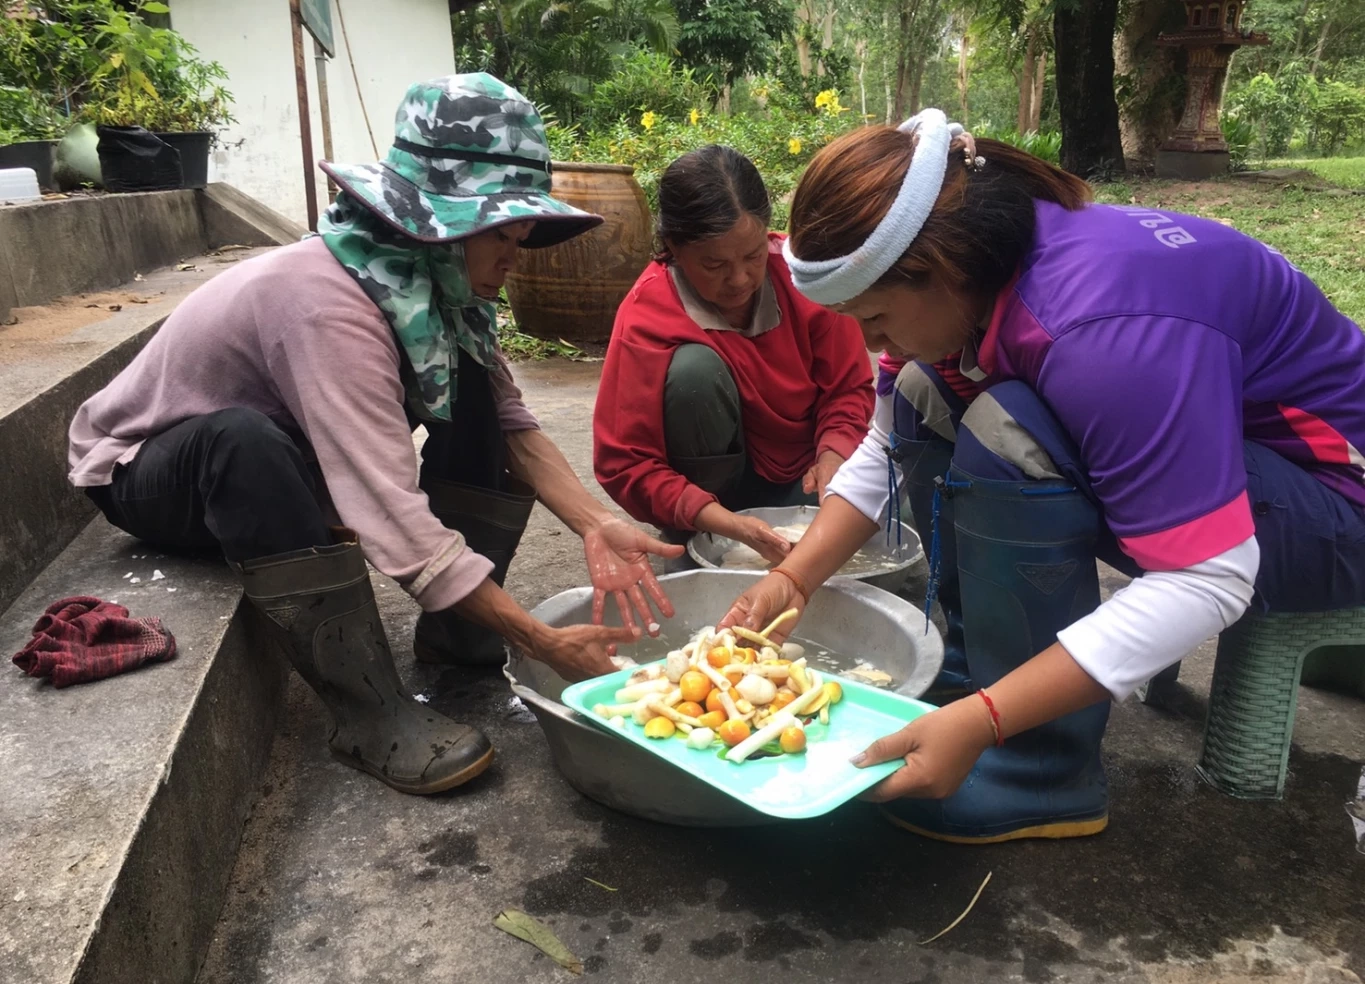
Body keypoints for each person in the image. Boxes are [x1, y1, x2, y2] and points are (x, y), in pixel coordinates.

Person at [720, 109, 1365, 843]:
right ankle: (973, 680)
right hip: (1258, 475)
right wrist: (796, 578)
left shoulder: (1101, 333)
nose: (869, 344)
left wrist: (986, 724)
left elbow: (1208, 575)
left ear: (942, 270)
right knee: (924, 395)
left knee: (1011, 427)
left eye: (874, 318)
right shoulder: (976, 269)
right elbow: (884, 445)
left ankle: (1035, 766)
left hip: (1339, 514)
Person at [66, 74, 682, 797]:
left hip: (289, 454)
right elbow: (390, 515)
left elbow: (511, 426)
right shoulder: (328, 307)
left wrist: (594, 524)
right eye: (501, 237)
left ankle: (459, 636)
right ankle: (369, 714)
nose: (515, 259)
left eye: (521, 237)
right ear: (438, 225)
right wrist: (540, 642)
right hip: (147, 470)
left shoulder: (436, 293)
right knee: (242, 441)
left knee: (476, 390)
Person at [593, 145, 874, 565]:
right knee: (693, 374)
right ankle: (698, 536)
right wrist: (718, 521)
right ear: (674, 247)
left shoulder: (808, 280)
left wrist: (834, 454)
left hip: (805, 480)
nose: (740, 279)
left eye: (753, 254)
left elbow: (848, 389)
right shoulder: (646, 315)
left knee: (891, 513)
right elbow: (626, 463)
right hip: (707, 502)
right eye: (714, 265)